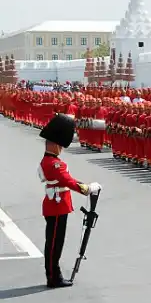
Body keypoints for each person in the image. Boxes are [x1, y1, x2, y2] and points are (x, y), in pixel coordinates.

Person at [38, 114, 101, 288]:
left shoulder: (51, 161)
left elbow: (67, 179)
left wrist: (82, 184)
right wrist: (87, 189)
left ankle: (53, 273)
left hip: (55, 205)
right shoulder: (55, 164)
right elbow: (68, 181)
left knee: (54, 242)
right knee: (54, 244)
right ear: (55, 144)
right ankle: (53, 276)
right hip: (57, 206)